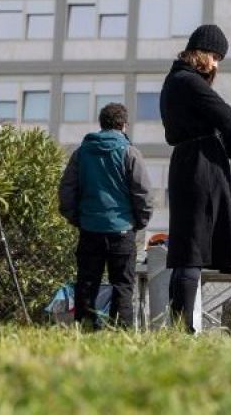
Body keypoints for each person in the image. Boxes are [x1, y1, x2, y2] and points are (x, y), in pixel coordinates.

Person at [160, 24, 231, 332]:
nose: (216, 65)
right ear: (203, 54)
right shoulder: (191, 83)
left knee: (186, 249)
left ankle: (177, 326)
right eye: (215, 57)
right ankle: (182, 329)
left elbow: (216, 130)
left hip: (186, 164)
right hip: (201, 169)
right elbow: (228, 119)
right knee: (192, 252)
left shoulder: (174, 81)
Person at [59, 103, 153, 329]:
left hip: (90, 229)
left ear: (101, 123)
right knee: (122, 285)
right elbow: (143, 193)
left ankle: (88, 330)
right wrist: (139, 221)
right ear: (123, 124)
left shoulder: (81, 153)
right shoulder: (130, 153)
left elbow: (67, 190)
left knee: (87, 283)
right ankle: (121, 334)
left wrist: (77, 218)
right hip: (122, 230)